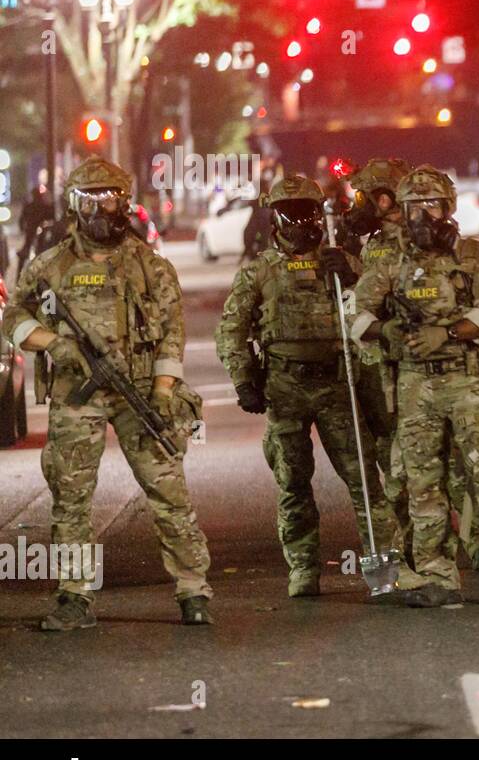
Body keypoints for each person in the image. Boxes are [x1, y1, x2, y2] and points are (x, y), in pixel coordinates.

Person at [2, 157, 213, 629]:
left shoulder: (150, 265)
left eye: (110, 199)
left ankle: (193, 588)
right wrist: (54, 342)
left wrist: (162, 391)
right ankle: (74, 595)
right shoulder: (51, 265)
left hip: (139, 389)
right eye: (88, 200)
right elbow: (13, 317)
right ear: (74, 206)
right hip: (77, 394)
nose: (100, 210)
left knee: (168, 490)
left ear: (125, 202)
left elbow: (171, 335)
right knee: (71, 495)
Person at [215, 174, 402, 599]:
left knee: (364, 481)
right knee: (293, 481)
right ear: (276, 220)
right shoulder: (259, 272)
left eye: (309, 212)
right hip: (285, 386)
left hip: (338, 382)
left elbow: (381, 309)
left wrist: (353, 276)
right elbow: (232, 329)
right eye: (292, 214)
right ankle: (303, 567)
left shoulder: (342, 264)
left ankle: (383, 569)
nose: (302, 222)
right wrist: (244, 380)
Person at [351, 165, 479, 603]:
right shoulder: (392, 262)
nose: (421, 216)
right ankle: (436, 574)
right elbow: (356, 316)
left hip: (469, 380)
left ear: (448, 208)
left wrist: (446, 334)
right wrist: (387, 332)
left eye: (431, 205)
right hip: (414, 384)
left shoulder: (477, 258)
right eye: (413, 206)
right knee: (421, 482)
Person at [16, 182, 54, 274]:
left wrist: (23, 228)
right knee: (34, 252)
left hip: (34, 233)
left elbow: (22, 219)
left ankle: (19, 275)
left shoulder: (30, 205)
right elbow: (51, 217)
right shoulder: (43, 206)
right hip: (36, 233)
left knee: (26, 252)